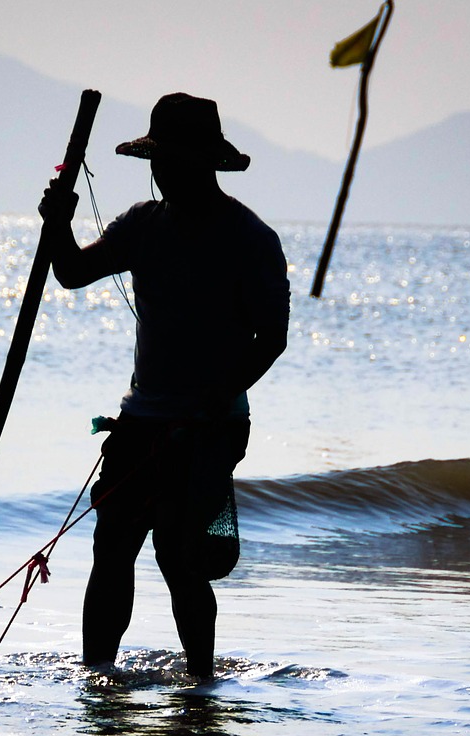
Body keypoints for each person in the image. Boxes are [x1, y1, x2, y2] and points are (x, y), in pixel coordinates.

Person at [39, 92, 290, 680]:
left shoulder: (249, 238)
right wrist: (58, 224)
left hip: (211, 425)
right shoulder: (143, 226)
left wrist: (212, 400)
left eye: (175, 161)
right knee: (111, 551)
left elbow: (271, 338)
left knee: (180, 560)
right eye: (158, 161)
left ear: (204, 163)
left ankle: (200, 685)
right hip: (142, 420)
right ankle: (99, 681)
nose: (163, 173)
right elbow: (73, 272)